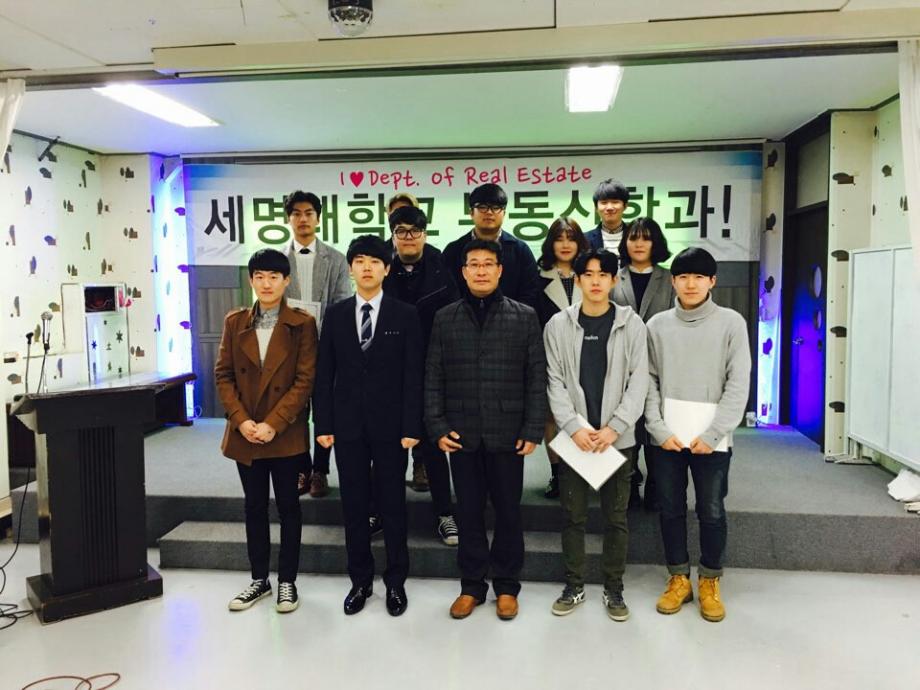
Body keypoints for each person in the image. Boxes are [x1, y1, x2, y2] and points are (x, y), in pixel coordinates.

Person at [425, 239, 546, 622]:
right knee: (468, 511)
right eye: (473, 264)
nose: (480, 270)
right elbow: (433, 376)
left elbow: (536, 376)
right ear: (463, 272)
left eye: (487, 264)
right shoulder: (445, 318)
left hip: (508, 432)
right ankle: (472, 586)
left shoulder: (524, 316)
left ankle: (507, 586)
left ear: (500, 270)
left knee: (509, 512)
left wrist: (533, 428)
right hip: (461, 433)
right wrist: (437, 425)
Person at [313, 235, 424, 617]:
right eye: (359, 261)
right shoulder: (336, 315)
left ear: (387, 269)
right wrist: (323, 424)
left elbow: (413, 375)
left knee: (393, 505)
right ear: (350, 269)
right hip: (347, 427)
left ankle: (396, 582)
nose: (366, 267)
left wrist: (412, 425)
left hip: (392, 428)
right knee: (354, 506)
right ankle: (360, 581)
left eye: (375, 261)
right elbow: (324, 374)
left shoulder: (405, 314)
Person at [644, 247, 751, 623]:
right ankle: (678, 578)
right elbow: (647, 380)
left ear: (712, 282)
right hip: (667, 440)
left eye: (699, 277)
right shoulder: (657, 325)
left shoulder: (731, 323)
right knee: (670, 508)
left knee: (711, 509)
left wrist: (715, 432)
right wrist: (658, 429)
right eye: (683, 277)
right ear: (673, 282)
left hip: (713, 441)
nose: (691, 284)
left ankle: (709, 579)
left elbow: (738, 382)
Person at [544, 248, 648, 620]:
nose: (595, 281)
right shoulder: (558, 325)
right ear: (577, 280)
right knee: (572, 517)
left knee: (616, 518)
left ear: (614, 280)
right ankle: (574, 586)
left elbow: (639, 382)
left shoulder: (632, 324)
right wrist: (573, 428)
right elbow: (554, 381)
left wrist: (614, 428)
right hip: (576, 440)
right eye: (587, 274)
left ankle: (613, 589)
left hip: (616, 440)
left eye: (603, 274)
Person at [215, 249, 318, 614]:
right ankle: (259, 579)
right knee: (254, 507)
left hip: (284, 433)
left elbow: (305, 381)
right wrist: (241, 420)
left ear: (286, 281)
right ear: (251, 280)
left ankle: (287, 581)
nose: (266, 283)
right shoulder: (235, 321)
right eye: (259, 276)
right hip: (246, 432)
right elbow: (224, 375)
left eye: (274, 276)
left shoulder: (302, 324)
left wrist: (273, 424)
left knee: (289, 507)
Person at [382, 205, 460, 545]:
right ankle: (381, 512)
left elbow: (454, 315)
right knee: (388, 448)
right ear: (393, 236)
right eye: (401, 231)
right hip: (392, 371)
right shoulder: (383, 266)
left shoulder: (442, 267)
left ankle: (445, 514)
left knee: (432, 448)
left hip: (432, 369)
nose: (408, 237)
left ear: (424, 234)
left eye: (414, 231)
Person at [283, 190, 352, 499]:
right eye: (296, 213)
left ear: (318, 218)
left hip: (326, 346)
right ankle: (301, 468)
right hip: (289, 347)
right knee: (296, 410)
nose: (303, 219)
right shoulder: (278, 259)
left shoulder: (336, 259)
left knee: (325, 409)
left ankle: (320, 471)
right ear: (288, 219)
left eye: (309, 213)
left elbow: (342, 303)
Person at [612, 216, 675, 511]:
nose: (639, 244)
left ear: (656, 243)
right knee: (627, 427)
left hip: (660, 364)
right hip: (621, 365)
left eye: (646, 238)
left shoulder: (669, 278)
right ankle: (629, 483)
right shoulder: (614, 277)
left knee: (655, 425)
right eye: (633, 237)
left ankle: (655, 485)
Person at [535, 217, 589, 499]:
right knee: (552, 416)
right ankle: (557, 474)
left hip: (586, 356)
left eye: (571, 238)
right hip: (550, 357)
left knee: (584, 413)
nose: (565, 244)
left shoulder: (591, 273)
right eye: (559, 238)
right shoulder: (537, 276)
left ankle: (581, 471)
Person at [442, 183, 541, 310]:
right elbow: (447, 293)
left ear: (504, 213)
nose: (489, 212)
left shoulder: (520, 250)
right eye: (482, 207)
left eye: (495, 207)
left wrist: (513, 316)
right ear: (471, 212)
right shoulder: (453, 250)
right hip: (462, 320)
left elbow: (531, 292)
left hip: (512, 319)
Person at [585, 179, 630, 257]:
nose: (609, 207)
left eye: (615, 202)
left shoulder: (636, 237)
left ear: (625, 206)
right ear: (596, 208)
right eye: (604, 203)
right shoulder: (585, 239)